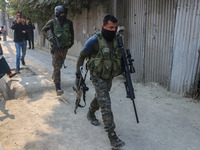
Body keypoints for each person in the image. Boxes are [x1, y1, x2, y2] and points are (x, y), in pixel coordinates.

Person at [74, 14, 125, 149]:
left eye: (115, 28)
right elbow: (81, 56)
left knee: (101, 97)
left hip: (109, 76)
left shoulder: (117, 40)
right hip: (97, 77)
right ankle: (112, 136)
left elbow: (120, 57)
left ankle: (90, 113)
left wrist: (124, 69)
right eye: (110, 27)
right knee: (105, 103)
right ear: (103, 27)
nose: (113, 30)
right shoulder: (94, 40)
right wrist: (78, 75)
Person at [41, 5, 74, 96]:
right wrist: (50, 38)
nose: (63, 15)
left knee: (59, 65)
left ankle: (54, 76)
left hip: (64, 48)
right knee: (57, 66)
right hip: (55, 48)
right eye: (62, 13)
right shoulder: (52, 22)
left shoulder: (69, 23)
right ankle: (58, 87)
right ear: (57, 14)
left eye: (65, 13)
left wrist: (71, 43)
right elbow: (43, 31)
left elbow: (72, 33)